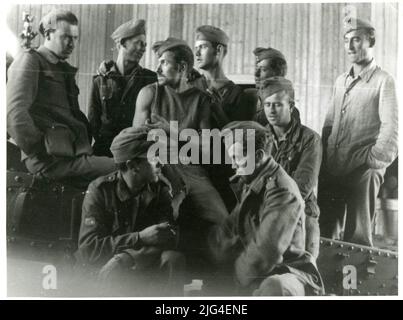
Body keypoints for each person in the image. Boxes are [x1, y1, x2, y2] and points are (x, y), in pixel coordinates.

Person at [133, 37, 229, 271]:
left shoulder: (200, 100)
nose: (157, 68)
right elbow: (134, 142)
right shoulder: (149, 93)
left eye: (164, 62)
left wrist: (170, 131)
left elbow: (208, 150)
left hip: (192, 171)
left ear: (183, 67)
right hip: (159, 167)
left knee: (224, 222)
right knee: (164, 221)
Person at [208, 121, 324, 296]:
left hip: (289, 273)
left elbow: (266, 252)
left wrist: (232, 286)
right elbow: (225, 234)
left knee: (273, 287)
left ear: (259, 155)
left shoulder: (281, 191)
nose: (233, 165)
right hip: (260, 272)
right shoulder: (253, 183)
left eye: (237, 158)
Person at [7, 9, 115, 187]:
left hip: (71, 155)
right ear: (48, 34)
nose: (71, 43)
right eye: (66, 37)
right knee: (123, 169)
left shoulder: (61, 68)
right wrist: (40, 150)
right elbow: (13, 114)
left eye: (74, 38)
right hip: (51, 160)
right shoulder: (30, 61)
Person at [76, 127, 185, 296]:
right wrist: (139, 237)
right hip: (104, 269)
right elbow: (89, 249)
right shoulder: (100, 191)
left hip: (139, 263)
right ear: (133, 166)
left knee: (173, 258)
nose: (161, 162)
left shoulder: (158, 191)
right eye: (154, 157)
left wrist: (128, 257)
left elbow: (169, 237)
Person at [319, 17, 398, 246]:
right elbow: (328, 124)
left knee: (357, 239)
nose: (350, 46)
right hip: (334, 165)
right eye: (346, 41)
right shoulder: (341, 81)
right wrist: (324, 160)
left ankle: (358, 276)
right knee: (325, 233)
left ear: (370, 40)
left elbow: (391, 130)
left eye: (356, 40)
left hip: (363, 169)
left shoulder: (384, 81)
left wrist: (372, 162)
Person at [256, 77, 322, 258]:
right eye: (267, 104)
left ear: (291, 107)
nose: (271, 110)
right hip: (264, 210)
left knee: (305, 265)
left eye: (277, 105)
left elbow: (303, 187)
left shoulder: (310, 139)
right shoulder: (259, 137)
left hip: (301, 212)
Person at [88, 19, 157, 157]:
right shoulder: (100, 79)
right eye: (138, 43)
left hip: (135, 152)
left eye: (144, 45)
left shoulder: (150, 79)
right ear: (122, 44)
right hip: (104, 151)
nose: (143, 49)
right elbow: (93, 122)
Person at [194, 25, 255, 127]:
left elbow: (239, 137)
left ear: (218, 50)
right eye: (196, 48)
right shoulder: (191, 85)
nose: (197, 53)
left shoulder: (237, 95)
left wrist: (219, 112)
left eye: (203, 47)